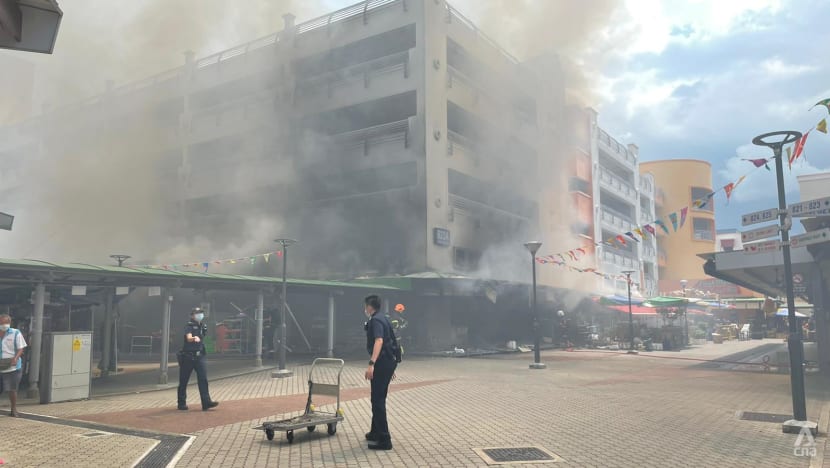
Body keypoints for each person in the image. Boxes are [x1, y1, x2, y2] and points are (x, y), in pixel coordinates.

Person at [363, 295, 397, 450]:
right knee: (378, 397)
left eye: (365, 306)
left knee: (377, 400)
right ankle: (375, 432)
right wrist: (390, 367)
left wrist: (372, 364)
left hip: (382, 363)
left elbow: (379, 341)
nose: (365, 309)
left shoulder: (375, 320)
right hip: (388, 362)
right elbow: (391, 341)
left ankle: (384, 439)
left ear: (370, 306)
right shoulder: (384, 318)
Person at [177, 307, 218, 411]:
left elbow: (203, 338)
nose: (199, 315)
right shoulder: (189, 326)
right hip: (188, 356)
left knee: (203, 379)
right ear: (192, 315)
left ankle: (206, 403)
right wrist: (193, 338)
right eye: (197, 313)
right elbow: (188, 337)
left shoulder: (203, 326)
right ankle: (181, 403)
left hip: (200, 356)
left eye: (201, 313)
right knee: (184, 380)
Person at [0, 314, 27, 417]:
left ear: (9, 323)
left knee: (12, 389)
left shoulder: (16, 333)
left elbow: (21, 348)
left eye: (5, 323)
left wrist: (16, 358)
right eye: (1, 323)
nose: (3, 325)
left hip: (13, 366)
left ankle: (13, 409)